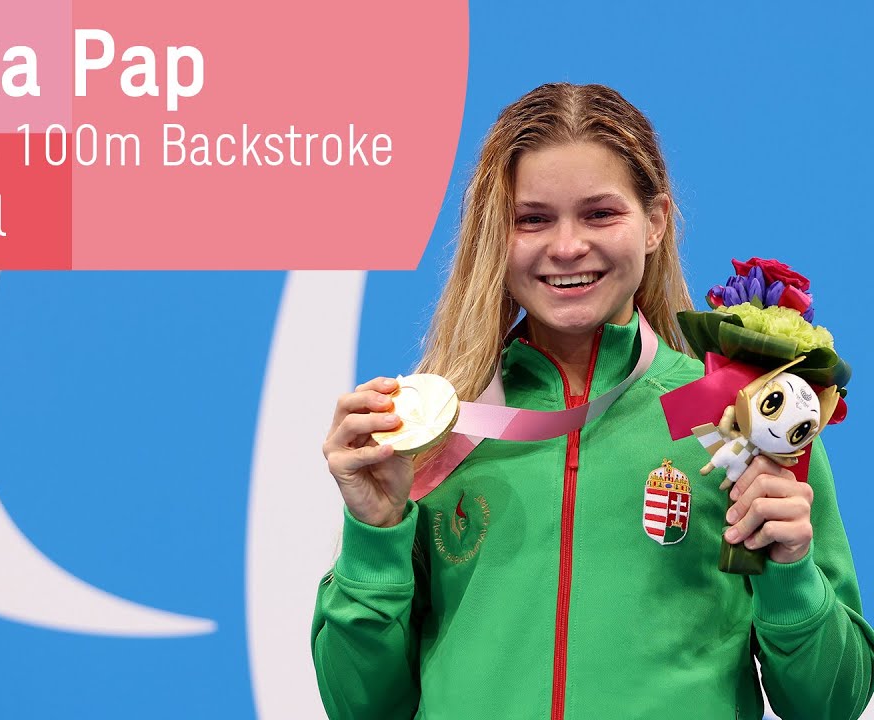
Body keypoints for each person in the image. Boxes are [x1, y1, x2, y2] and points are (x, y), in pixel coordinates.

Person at [313, 82, 874, 720]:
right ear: (496, 235)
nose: (567, 246)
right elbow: (360, 706)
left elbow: (831, 702)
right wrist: (375, 533)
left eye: (600, 213)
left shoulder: (742, 419)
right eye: (532, 219)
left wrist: (792, 571)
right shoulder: (441, 434)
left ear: (655, 222)